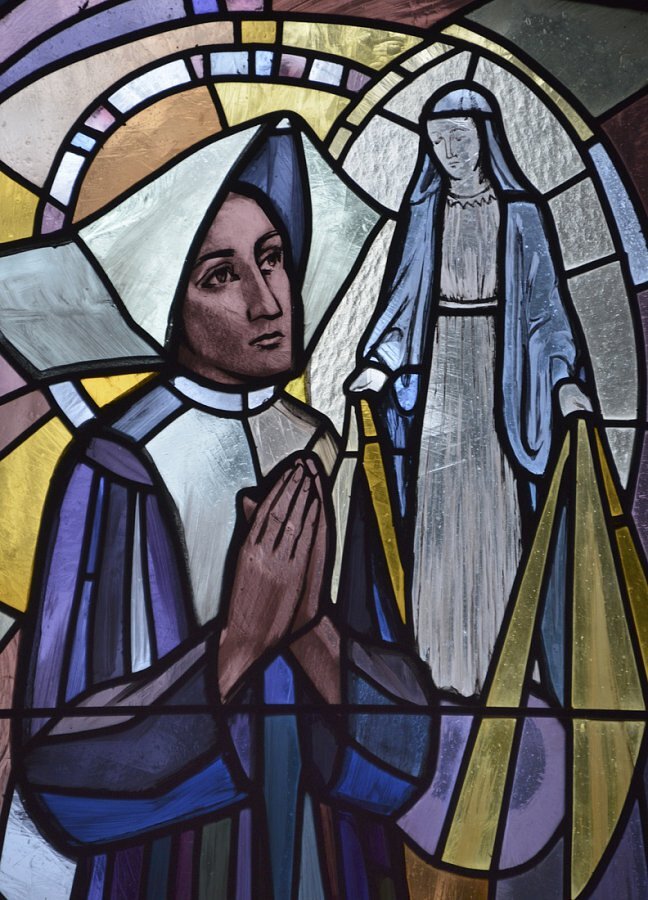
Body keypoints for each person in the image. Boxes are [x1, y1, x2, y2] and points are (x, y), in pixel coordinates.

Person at [13, 119, 434, 899]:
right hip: (170, 863)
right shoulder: (119, 463)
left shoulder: (324, 450)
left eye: (272, 259)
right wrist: (238, 643)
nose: (267, 300)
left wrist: (310, 633)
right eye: (220, 276)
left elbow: (409, 753)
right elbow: (62, 769)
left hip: (328, 849)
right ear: (169, 307)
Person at [348, 83, 592, 697]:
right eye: (438, 141)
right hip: (440, 374)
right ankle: (438, 669)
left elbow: (545, 314)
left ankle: (499, 665)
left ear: (486, 137)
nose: (450, 151)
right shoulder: (423, 214)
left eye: (460, 137)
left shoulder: (523, 214)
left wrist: (562, 379)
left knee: (495, 514)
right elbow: (403, 305)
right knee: (437, 519)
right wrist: (380, 364)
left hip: (502, 373)